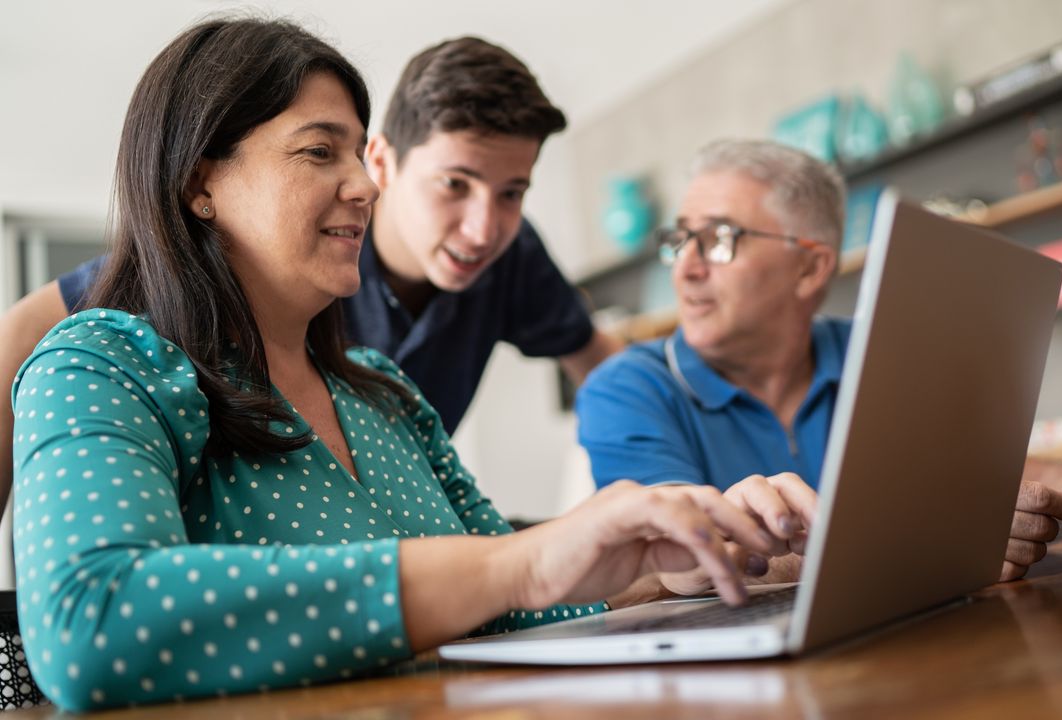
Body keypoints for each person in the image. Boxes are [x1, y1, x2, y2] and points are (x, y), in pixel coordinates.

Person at [10, 20, 809, 711]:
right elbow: (90, 627)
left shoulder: (385, 393)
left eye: (359, 154)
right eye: (320, 151)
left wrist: (668, 564)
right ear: (199, 183)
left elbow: (510, 606)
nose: (363, 185)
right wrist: (523, 565)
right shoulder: (104, 364)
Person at [0, 33, 621, 516]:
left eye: (513, 193)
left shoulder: (507, 265)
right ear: (385, 162)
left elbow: (602, 365)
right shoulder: (109, 350)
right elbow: (26, 326)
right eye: (454, 185)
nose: (484, 228)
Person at [576, 139, 1062, 582]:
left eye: (717, 239)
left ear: (811, 269)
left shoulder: (880, 344)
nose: (686, 269)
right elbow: (670, 565)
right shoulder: (624, 388)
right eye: (679, 240)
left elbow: (994, 477)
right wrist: (936, 536)